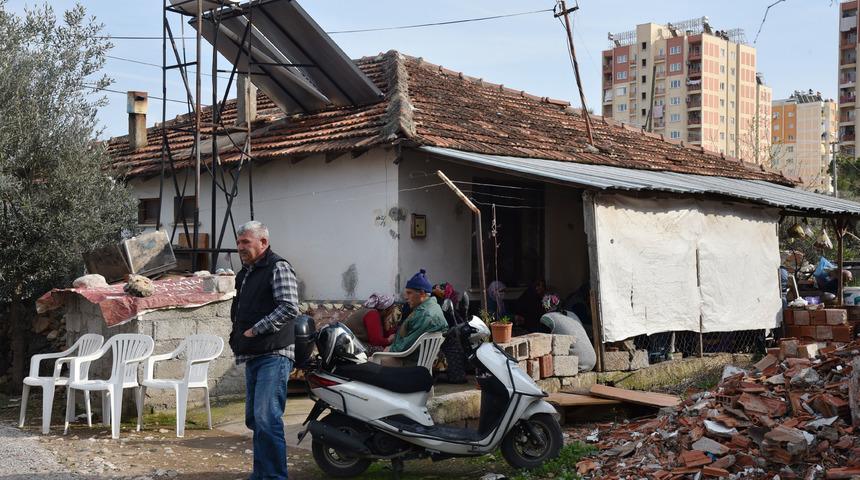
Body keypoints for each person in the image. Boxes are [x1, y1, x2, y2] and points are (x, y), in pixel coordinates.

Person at [229, 221, 299, 480]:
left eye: (246, 242)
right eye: (239, 243)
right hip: (254, 354)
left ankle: (274, 477)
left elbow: (290, 307)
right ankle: (261, 475)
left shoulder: (277, 267)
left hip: (274, 353)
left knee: (267, 419)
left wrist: (255, 330)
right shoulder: (246, 272)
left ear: (264, 243)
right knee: (256, 420)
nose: (241, 247)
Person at [382, 269, 447, 365]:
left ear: (422, 293)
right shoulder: (432, 306)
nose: (405, 297)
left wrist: (390, 349)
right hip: (414, 359)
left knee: (369, 363)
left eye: (409, 293)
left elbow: (405, 347)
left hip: (410, 362)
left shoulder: (425, 315)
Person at [539, 293, 596, 373]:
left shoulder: (547, 318)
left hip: (578, 362)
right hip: (592, 361)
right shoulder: (572, 314)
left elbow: (544, 341)